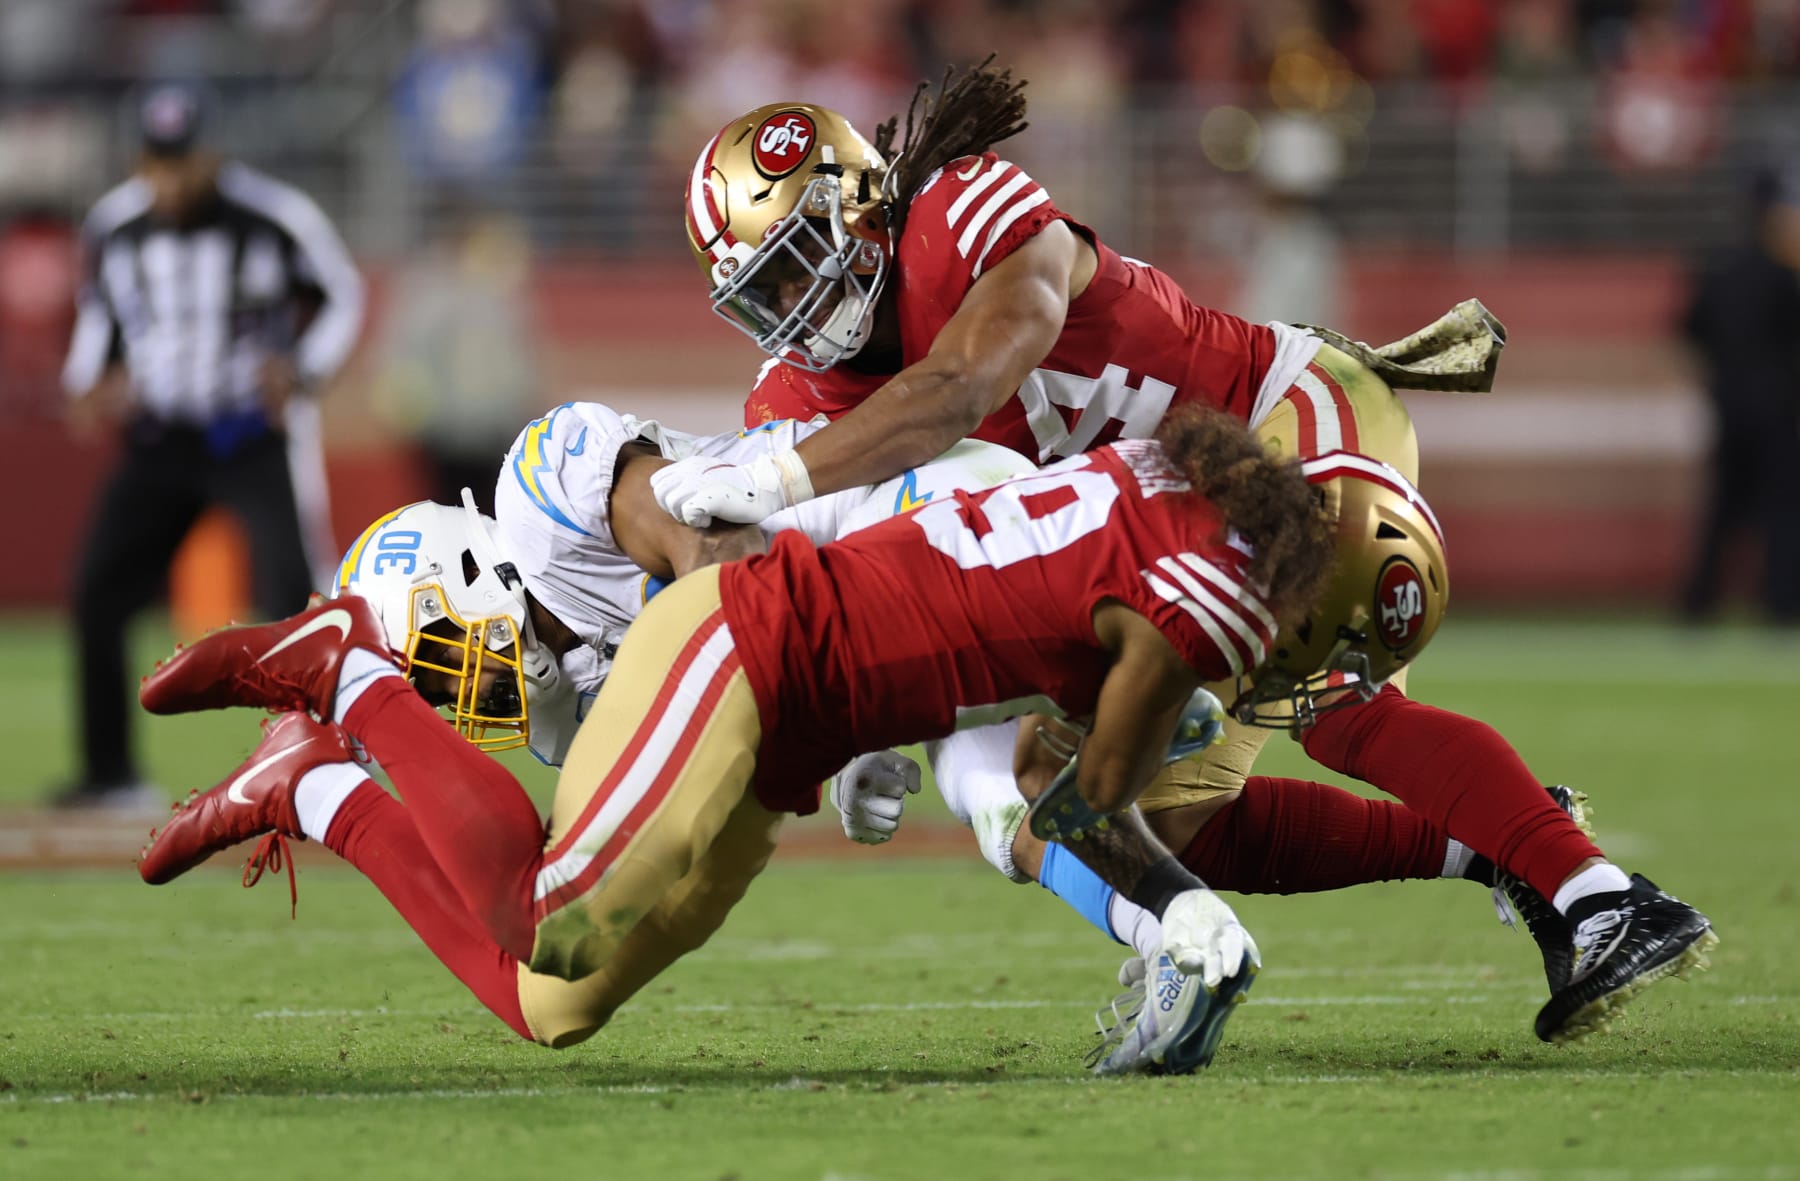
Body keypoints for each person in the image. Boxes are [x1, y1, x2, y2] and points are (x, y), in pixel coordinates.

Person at [653, 63, 1713, 1046]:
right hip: (1169, 529)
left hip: (1282, 415)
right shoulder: (793, 404)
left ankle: (1605, 898)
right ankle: (1501, 842)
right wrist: (864, 731)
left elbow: (960, 389)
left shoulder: (960, 214)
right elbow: (922, 566)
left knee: (1324, 684)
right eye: (764, 296)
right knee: (1133, 819)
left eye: (797, 269)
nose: (793, 314)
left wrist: (790, 480)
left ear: (861, 208)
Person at [134, 407, 1335, 1053]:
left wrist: (865, 724)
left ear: (451, 572)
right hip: (811, 671)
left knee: (993, 798)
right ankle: (318, 782)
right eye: (432, 681)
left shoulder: (545, 484)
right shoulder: (558, 705)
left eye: (439, 650)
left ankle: (340, 691)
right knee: (550, 982)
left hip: (843, 588)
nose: (474, 694)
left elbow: (718, 552)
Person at [57, 81, 364, 809]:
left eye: (183, 161)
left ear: (212, 156)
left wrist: (305, 367)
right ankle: (112, 775)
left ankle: (325, 764)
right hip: (161, 437)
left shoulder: (273, 215)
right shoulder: (116, 226)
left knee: (295, 597)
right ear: (138, 162)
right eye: (157, 163)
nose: (170, 179)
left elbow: (342, 292)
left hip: (249, 435)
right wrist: (86, 379)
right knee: (98, 593)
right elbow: (99, 315)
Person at [1677, 159, 1800, 623]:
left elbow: (1689, 330)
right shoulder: (1780, 272)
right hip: (1776, 408)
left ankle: (1698, 606)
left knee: (1721, 511)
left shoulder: (1715, 268)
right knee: (1782, 511)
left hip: (1727, 404)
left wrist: (1720, 374)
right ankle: (1782, 605)